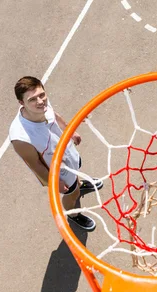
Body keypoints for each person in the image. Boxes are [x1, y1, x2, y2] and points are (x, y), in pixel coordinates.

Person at [9, 76, 102, 231]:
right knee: (71, 194)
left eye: (41, 95)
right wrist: (55, 182)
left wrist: (69, 130)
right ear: (21, 103)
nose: (40, 101)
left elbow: (54, 114)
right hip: (58, 170)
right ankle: (73, 215)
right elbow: (35, 165)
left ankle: (79, 184)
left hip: (68, 152)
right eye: (32, 99)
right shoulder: (20, 136)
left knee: (76, 173)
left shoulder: (43, 104)